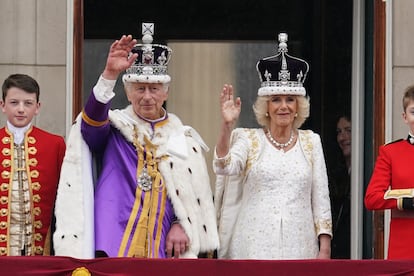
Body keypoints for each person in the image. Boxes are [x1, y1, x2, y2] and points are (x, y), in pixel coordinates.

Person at [53, 23, 219, 259]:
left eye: (154, 88)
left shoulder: (182, 138)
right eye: (140, 88)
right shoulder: (115, 127)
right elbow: (90, 126)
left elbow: (187, 192)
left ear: (166, 92)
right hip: (112, 237)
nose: (147, 96)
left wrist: (181, 223)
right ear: (128, 92)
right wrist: (109, 75)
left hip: (161, 242)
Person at [213, 33, 332, 260]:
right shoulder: (249, 139)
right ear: (266, 107)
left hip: (301, 247)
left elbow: (321, 199)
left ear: (298, 106)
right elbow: (223, 166)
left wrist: (324, 248)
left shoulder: (311, 141)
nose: (283, 106)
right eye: (276, 99)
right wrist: (227, 126)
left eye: (290, 100)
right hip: (252, 247)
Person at [0, 74, 66, 256]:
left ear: (37, 107)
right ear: (2, 105)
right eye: (14, 102)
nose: (21, 109)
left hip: (41, 249)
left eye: (28, 103)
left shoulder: (55, 144)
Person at [365, 85, 414, 260]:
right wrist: (403, 201)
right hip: (405, 244)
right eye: (413, 112)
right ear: (405, 117)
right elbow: (372, 198)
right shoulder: (391, 152)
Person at [328, 112, 351, 259]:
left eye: (348, 130)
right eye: (339, 132)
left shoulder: (367, 172)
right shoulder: (338, 174)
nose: (342, 138)